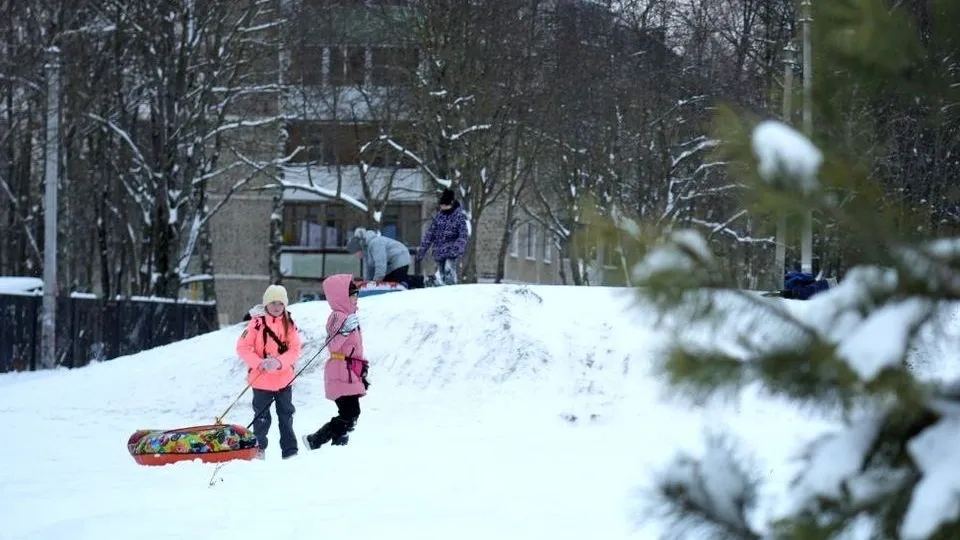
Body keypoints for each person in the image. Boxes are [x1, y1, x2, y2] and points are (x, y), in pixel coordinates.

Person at [302, 274, 370, 450]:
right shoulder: (337, 317)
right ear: (342, 297)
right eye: (352, 294)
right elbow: (332, 345)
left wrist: (362, 370)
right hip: (340, 371)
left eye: (356, 294)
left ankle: (337, 448)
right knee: (351, 412)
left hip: (350, 372)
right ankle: (316, 440)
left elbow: (356, 348)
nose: (356, 298)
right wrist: (344, 331)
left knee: (350, 414)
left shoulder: (350, 315)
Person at [235, 284, 303, 460]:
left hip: (284, 379)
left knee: (286, 416)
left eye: (280, 303)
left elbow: (295, 349)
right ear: (266, 304)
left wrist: (279, 362)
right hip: (261, 380)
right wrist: (259, 363)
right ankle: (258, 449)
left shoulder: (290, 324)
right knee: (261, 418)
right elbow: (242, 347)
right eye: (273, 302)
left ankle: (290, 451)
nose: (276, 306)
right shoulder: (255, 324)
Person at [416, 188, 468, 285]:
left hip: (451, 251)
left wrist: (457, 247)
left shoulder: (458, 217)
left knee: (449, 272)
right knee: (442, 275)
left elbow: (463, 234)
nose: (443, 207)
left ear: (451, 203)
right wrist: (422, 250)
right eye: (442, 205)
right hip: (439, 252)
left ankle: (451, 287)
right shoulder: (439, 217)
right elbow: (430, 234)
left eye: (445, 205)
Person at [346, 227, 412, 283]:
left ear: (359, 248)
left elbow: (380, 265)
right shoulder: (366, 250)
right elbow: (369, 269)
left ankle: (416, 283)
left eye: (356, 253)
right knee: (386, 281)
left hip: (400, 258)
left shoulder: (375, 243)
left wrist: (375, 283)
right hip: (390, 264)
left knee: (392, 283)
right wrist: (367, 283)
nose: (356, 256)